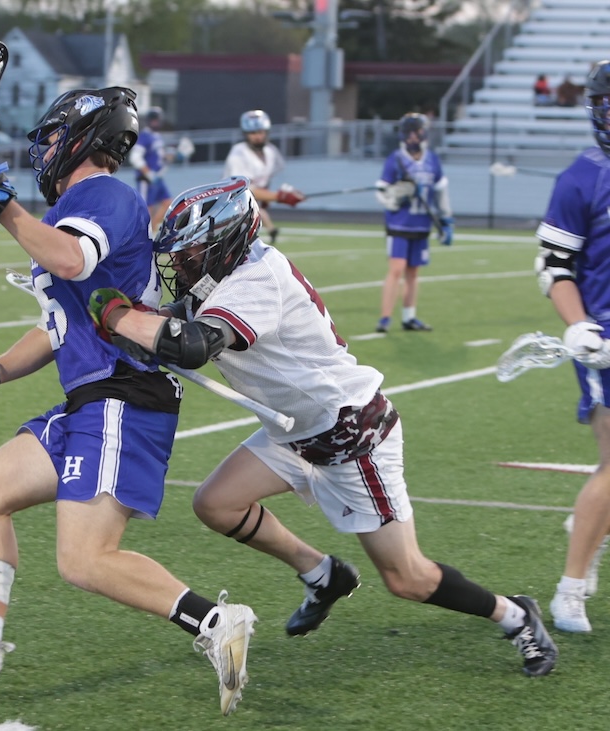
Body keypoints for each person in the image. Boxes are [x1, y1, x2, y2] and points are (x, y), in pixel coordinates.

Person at [88, 175, 559, 679]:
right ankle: (323, 574)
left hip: (349, 434)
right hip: (296, 430)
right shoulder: (222, 278)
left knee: (407, 578)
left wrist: (118, 317)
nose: (180, 264)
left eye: (190, 252)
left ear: (226, 242)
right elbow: (170, 324)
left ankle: (515, 614)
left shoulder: (256, 277)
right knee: (216, 503)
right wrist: (130, 320)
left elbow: (192, 345)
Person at [0, 87, 257, 717]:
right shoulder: (71, 210)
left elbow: (68, 261)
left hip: (124, 394)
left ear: (81, 139)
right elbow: (57, 328)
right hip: (89, 398)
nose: (40, 151)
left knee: (85, 559)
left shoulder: (105, 195)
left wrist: (2, 204)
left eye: (48, 137)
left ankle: (218, 621)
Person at [537, 60, 610, 634]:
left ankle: (591, 529)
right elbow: (555, 266)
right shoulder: (581, 177)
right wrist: (579, 325)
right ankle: (569, 590)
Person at [374, 113, 454, 333]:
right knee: (396, 269)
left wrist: (446, 220)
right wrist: (396, 197)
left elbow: (441, 192)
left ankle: (409, 317)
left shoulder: (432, 160)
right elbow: (382, 191)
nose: (412, 137)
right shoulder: (396, 159)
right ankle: (385, 318)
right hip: (399, 224)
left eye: (416, 131)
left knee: (413, 272)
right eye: (408, 132)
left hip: (422, 224)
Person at [223, 109, 305, 246]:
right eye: (253, 133)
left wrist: (284, 193)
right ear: (245, 134)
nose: (258, 136)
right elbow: (244, 190)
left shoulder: (271, 151)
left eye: (261, 132)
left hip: (253, 202)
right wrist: (279, 196)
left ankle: (270, 230)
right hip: (233, 206)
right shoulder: (238, 154)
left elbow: (268, 176)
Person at [129, 106, 172, 232]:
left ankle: (152, 229)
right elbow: (135, 158)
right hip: (146, 179)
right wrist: (148, 173)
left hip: (158, 178)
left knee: (167, 202)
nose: (155, 122)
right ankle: (144, 233)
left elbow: (160, 157)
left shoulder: (156, 136)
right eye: (153, 119)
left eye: (156, 119)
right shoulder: (145, 136)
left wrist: (174, 155)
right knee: (147, 208)